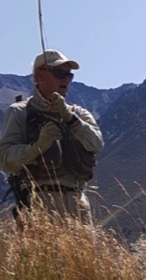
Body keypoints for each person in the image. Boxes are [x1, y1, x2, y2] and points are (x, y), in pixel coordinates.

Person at [0, 49, 104, 221]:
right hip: (39, 203)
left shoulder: (79, 113)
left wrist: (71, 119)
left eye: (68, 76)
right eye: (59, 73)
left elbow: (96, 144)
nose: (65, 80)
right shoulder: (19, 112)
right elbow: (4, 160)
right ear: (40, 76)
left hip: (78, 203)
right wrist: (37, 147)